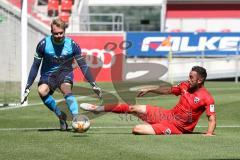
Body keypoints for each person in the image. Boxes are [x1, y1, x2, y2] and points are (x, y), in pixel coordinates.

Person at [80, 66, 216, 136]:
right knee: (134, 108)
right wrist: (151, 89)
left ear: (200, 80)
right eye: (189, 76)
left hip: (176, 128)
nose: (189, 79)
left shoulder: (207, 97)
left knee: (136, 129)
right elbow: (168, 90)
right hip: (167, 115)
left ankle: (155, 126)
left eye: (192, 77)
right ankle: (98, 109)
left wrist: (209, 133)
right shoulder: (184, 86)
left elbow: (212, 118)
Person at [21, 18, 102, 131]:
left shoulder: (73, 45)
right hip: (48, 74)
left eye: (61, 33)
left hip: (65, 72)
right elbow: (35, 66)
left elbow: (83, 65)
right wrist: (28, 86)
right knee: (41, 91)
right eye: (55, 33)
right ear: (51, 32)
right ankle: (61, 115)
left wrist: (93, 84)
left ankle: (76, 118)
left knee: (66, 89)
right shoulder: (43, 44)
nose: (59, 35)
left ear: (64, 31)